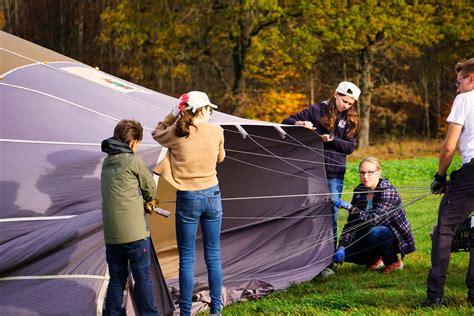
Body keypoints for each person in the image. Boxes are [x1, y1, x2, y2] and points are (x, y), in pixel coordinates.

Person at [152, 91, 225, 316]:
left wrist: (174, 112)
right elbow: (220, 158)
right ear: (202, 110)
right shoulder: (217, 131)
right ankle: (216, 310)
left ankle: (185, 312)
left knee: (187, 257)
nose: (210, 112)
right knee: (213, 254)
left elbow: (156, 132)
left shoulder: (176, 133)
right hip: (213, 194)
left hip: (188, 197)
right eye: (208, 109)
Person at [282, 81, 361, 250]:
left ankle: (329, 257)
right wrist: (300, 124)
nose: (345, 106)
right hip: (313, 170)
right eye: (343, 101)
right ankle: (310, 253)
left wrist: (329, 140)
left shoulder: (350, 119)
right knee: (312, 212)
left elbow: (350, 147)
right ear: (335, 94)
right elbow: (286, 120)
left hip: (335, 173)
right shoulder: (316, 110)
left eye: (350, 103)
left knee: (330, 213)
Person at [424, 58, 474, 307]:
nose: (457, 88)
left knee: (444, 230)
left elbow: (448, 147)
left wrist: (440, 177)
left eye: (459, 82)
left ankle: (435, 296)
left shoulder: (465, 99)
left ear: (471, 79)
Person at [101, 119, 159, 316]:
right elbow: (150, 188)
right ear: (133, 142)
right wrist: (150, 201)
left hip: (112, 236)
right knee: (142, 278)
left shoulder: (106, 162)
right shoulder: (134, 160)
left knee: (117, 279)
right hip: (135, 234)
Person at [332, 157, 415, 273]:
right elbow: (352, 223)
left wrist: (351, 208)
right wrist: (341, 246)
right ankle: (375, 259)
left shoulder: (387, 191)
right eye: (362, 172)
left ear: (379, 173)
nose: (365, 176)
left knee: (375, 231)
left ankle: (393, 262)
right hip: (368, 233)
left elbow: (375, 220)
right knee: (347, 253)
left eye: (370, 172)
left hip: (392, 236)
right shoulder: (359, 191)